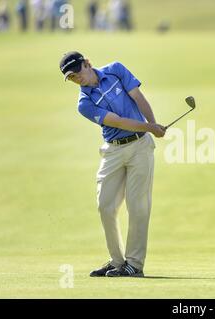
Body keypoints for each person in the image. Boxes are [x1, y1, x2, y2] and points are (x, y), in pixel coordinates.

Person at [59, 52, 166, 277]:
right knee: (105, 205)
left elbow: (138, 97)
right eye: (71, 78)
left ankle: (134, 264)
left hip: (140, 148)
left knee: (138, 207)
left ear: (87, 64)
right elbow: (116, 122)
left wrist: (153, 123)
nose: (76, 79)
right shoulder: (84, 103)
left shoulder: (115, 70)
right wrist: (150, 128)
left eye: (77, 73)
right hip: (113, 150)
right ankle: (117, 262)